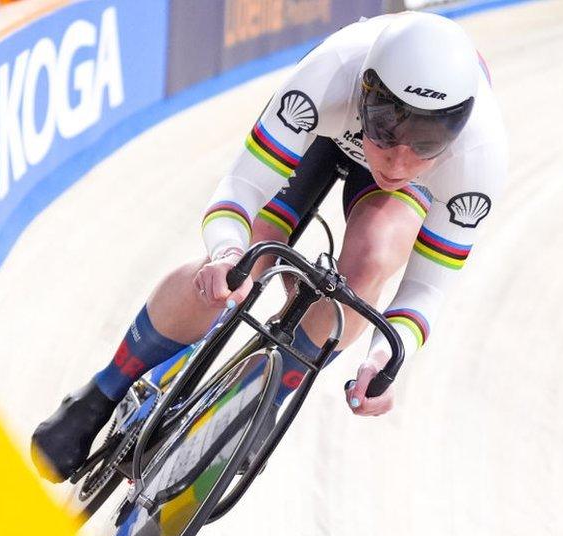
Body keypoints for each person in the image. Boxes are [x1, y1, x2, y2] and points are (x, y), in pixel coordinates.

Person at [31, 11, 508, 482]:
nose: (399, 160)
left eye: (425, 142)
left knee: (373, 261)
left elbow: (426, 289)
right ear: (365, 92)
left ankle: (268, 397)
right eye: (387, 132)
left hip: (389, 178)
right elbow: (240, 190)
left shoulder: (478, 157)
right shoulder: (330, 73)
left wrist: (385, 356)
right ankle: (103, 390)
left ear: (458, 129)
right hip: (324, 133)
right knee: (249, 257)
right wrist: (225, 255)